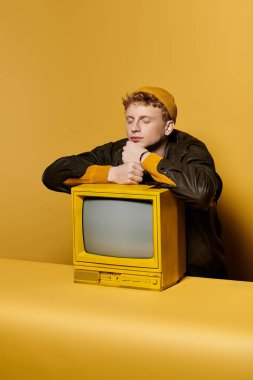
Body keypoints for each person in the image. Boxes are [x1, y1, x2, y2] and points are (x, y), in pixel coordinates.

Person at [42, 86, 227, 279]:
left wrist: (145, 159)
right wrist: (111, 174)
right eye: (130, 120)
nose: (134, 128)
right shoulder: (116, 151)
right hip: (134, 274)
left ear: (168, 127)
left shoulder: (191, 149)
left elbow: (202, 193)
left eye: (145, 121)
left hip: (196, 273)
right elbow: (52, 175)